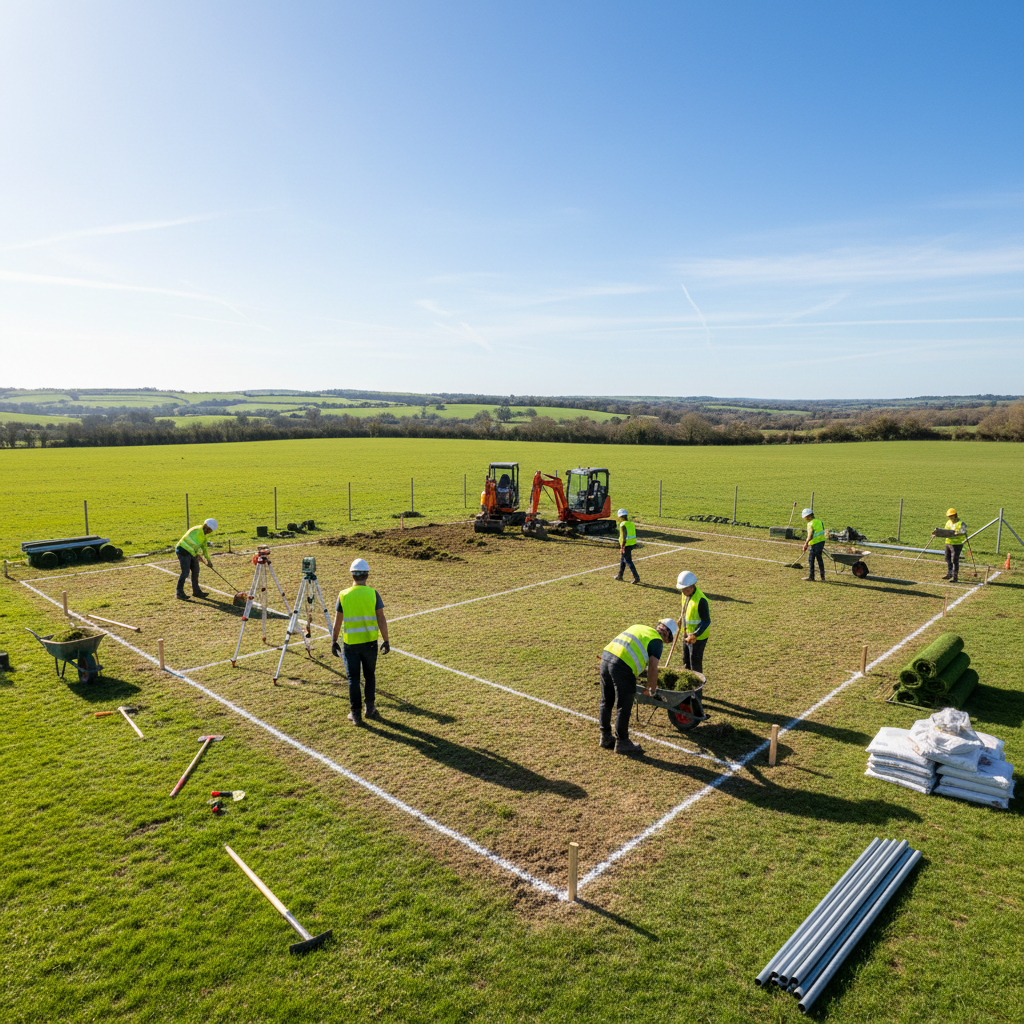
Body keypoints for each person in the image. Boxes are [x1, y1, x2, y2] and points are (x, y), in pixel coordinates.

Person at [599, 618, 678, 755]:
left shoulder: (639, 626)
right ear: (668, 637)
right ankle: (622, 742)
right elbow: (653, 668)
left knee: (607, 700)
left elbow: (632, 649)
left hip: (606, 657)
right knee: (624, 705)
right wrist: (652, 690)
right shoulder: (657, 641)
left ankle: (605, 737)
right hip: (622, 666)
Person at [331, 558, 390, 725]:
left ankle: (355, 715)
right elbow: (381, 618)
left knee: (353, 679)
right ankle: (370, 709)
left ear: (352, 575)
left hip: (350, 646)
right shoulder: (373, 594)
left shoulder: (343, 595)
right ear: (367, 575)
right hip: (370, 643)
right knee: (370, 676)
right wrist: (386, 640)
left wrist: (334, 641)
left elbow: (337, 622)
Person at [676, 571, 711, 674]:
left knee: (695, 665)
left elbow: (706, 621)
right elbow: (685, 608)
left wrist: (695, 635)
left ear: (692, 586)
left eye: (685, 589)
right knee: (685, 662)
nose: (683, 591)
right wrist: (681, 618)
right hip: (686, 634)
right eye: (681, 589)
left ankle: (697, 689)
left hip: (698, 639)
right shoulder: (685, 594)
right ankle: (687, 687)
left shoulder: (701, 600)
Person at [175, 518, 217, 600]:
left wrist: (208, 561)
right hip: (182, 550)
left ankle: (196, 591)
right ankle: (179, 593)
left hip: (191, 552)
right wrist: (197, 556)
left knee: (196, 570)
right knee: (185, 572)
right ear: (206, 526)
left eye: (210, 531)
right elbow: (193, 544)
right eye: (208, 530)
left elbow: (204, 549)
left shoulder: (203, 537)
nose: (208, 532)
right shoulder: (196, 531)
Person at [934, 508, 967, 582]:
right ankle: (949, 574)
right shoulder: (948, 522)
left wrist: (958, 533)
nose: (950, 518)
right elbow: (945, 532)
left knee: (954, 560)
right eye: (949, 516)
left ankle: (955, 578)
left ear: (955, 515)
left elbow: (964, 531)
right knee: (947, 559)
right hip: (948, 543)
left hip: (957, 544)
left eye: (951, 516)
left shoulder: (961, 523)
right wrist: (937, 533)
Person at [613, 508, 640, 583]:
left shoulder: (622, 524)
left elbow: (624, 537)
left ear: (620, 517)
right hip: (632, 544)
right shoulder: (631, 524)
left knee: (628, 561)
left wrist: (622, 547)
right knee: (622, 560)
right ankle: (620, 575)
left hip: (626, 545)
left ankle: (636, 577)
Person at [801, 508, 826, 581]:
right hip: (821, 542)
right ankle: (822, 576)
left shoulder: (810, 524)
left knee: (811, 560)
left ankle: (811, 577)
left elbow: (810, 536)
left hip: (815, 544)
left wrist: (805, 544)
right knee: (819, 559)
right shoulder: (819, 521)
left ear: (807, 516)